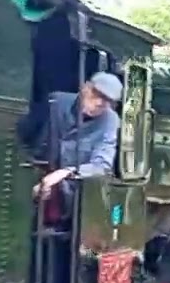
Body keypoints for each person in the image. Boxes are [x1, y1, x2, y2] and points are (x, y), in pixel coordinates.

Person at [16, 71, 123, 203]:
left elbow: (102, 165)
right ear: (85, 87)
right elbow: (25, 137)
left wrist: (65, 172)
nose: (100, 102)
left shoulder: (110, 120)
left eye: (107, 100)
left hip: (71, 197)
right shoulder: (55, 102)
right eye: (97, 94)